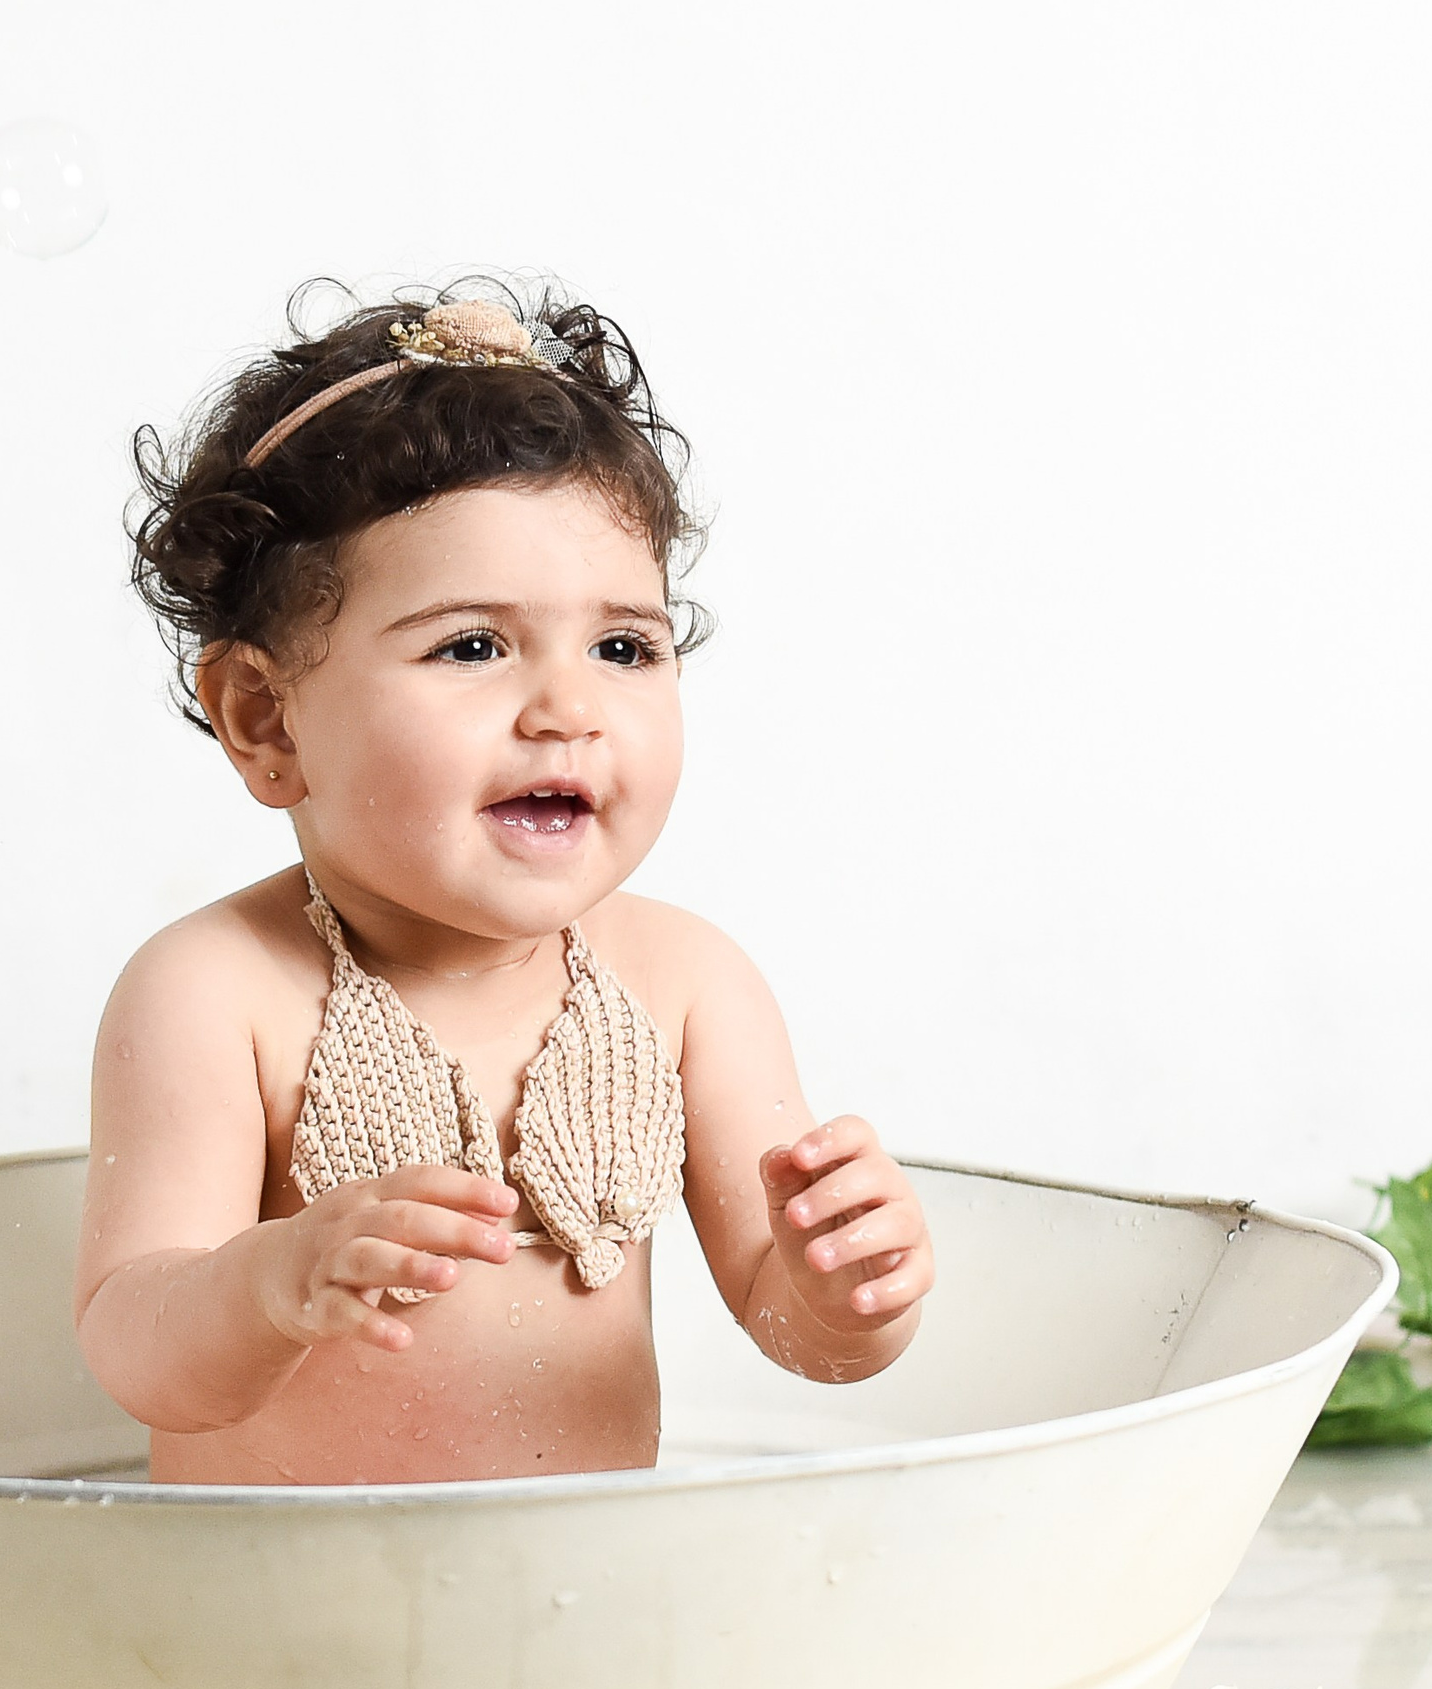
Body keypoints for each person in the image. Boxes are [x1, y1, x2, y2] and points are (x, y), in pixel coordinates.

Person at [75, 281, 937, 1486]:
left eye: (624, 646)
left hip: (573, 1614)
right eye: (471, 644)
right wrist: (263, 1285)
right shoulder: (216, 992)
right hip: (277, 1630)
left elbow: (789, 1327)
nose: (568, 708)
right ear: (266, 717)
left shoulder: (687, 983)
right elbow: (132, 1343)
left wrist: (845, 1295)